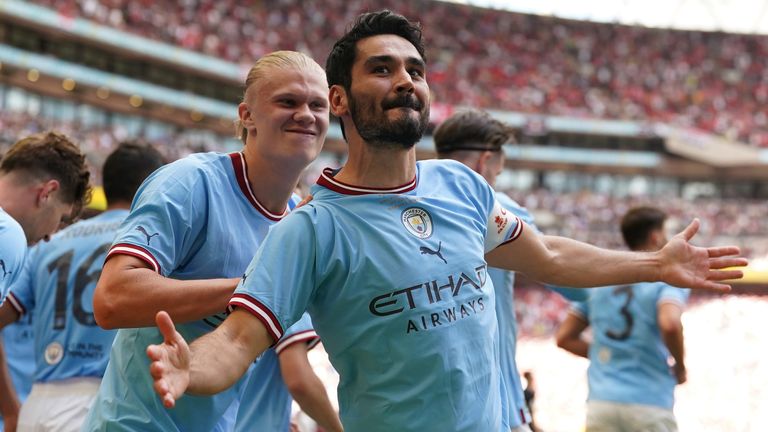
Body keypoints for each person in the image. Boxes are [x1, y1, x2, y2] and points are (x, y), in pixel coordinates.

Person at [147, 10, 745, 431]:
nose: (405, 81)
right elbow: (238, 341)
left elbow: (548, 256)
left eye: (415, 70)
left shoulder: (460, 184)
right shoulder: (309, 231)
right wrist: (190, 367)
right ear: (339, 99)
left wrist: (655, 263)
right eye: (382, 69)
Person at [82, 51, 341, 431]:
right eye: (287, 101)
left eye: (317, 105)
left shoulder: (300, 226)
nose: (305, 114)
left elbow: (263, 355)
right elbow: (111, 299)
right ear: (247, 116)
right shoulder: (191, 183)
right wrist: (255, 287)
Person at [0, 142, 164, 432]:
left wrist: (11, 409)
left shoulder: (51, 242)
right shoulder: (149, 242)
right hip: (104, 402)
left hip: (38, 401)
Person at [556, 206, 689, 432]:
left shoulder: (602, 278)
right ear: (655, 236)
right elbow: (670, 323)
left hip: (601, 403)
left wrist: (608, 354)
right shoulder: (668, 278)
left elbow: (564, 338)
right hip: (650, 401)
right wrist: (680, 367)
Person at [0, 131, 90, 429]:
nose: (53, 235)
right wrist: (11, 410)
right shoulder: (8, 234)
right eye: (62, 219)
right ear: (47, 193)